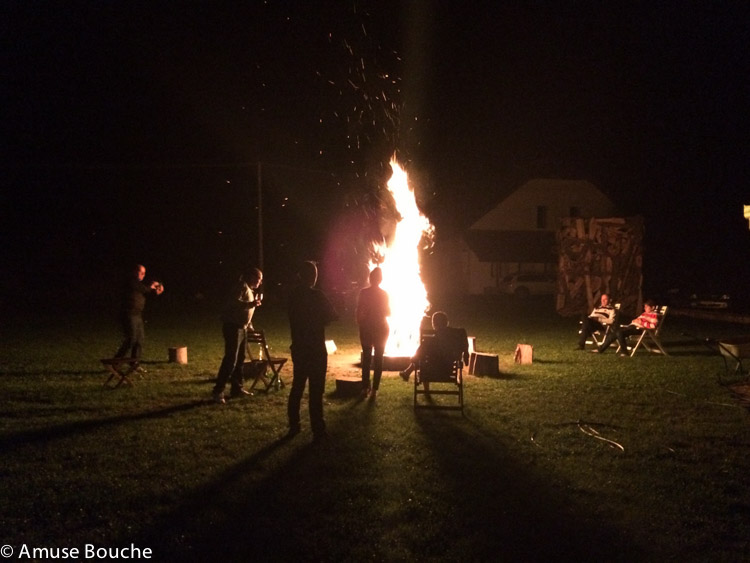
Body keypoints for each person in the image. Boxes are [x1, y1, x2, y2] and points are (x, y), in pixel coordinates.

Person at [287, 261, 338, 442]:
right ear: (313, 276)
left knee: (297, 387)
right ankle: (318, 429)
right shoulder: (318, 296)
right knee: (316, 391)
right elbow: (333, 315)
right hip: (315, 348)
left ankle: (294, 425)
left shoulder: (293, 295)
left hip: (299, 346)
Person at [212, 267, 263, 404]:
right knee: (231, 359)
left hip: (242, 328)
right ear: (252, 277)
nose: (260, 282)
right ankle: (218, 391)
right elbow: (233, 303)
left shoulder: (249, 290)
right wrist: (251, 304)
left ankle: (237, 388)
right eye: (259, 279)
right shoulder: (241, 286)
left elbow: (245, 312)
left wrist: (249, 325)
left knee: (240, 359)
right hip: (233, 327)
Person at [114, 263, 164, 364]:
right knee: (131, 339)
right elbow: (143, 289)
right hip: (129, 314)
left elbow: (147, 292)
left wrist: (158, 287)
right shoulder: (131, 281)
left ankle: (134, 363)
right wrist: (151, 286)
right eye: (140, 272)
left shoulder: (139, 283)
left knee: (139, 340)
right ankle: (116, 361)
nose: (142, 275)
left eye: (144, 273)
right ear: (134, 271)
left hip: (138, 315)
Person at [399, 311, 469, 383]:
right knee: (423, 353)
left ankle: (408, 373)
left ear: (434, 324)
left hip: (432, 372)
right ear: (446, 322)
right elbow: (462, 332)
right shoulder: (456, 334)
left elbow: (418, 356)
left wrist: (414, 359)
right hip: (449, 370)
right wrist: (466, 353)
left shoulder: (430, 343)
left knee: (423, 354)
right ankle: (408, 372)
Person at [356, 267, 390, 399]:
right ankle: (375, 389)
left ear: (370, 278)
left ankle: (365, 388)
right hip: (381, 328)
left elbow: (360, 310)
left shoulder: (364, 293)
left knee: (367, 358)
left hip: (367, 328)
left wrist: (361, 320)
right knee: (378, 358)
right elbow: (388, 312)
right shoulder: (384, 294)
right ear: (380, 279)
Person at [594, 299, 659, 355]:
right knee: (615, 333)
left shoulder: (654, 315)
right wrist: (635, 320)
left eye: (647, 307)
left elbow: (653, 326)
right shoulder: (644, 314)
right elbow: (636, 320)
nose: (644, 308)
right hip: (632, 326)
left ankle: (624, 352)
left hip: (640, 330)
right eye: (644, 306)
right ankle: (601, 349)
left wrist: (641, 322)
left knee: (619, 332)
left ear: (652, 307)